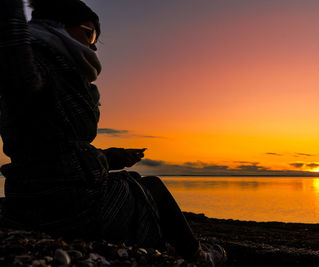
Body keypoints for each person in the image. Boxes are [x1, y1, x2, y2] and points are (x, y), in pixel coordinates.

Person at [0, 0, 226, 265]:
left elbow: (58, 151)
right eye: (90, 32)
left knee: (134, 184)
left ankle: (170, 244)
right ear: (59, 26)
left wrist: (118, 157)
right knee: (151, 188)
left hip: (34, 196)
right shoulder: (33, 66)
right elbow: (15, 56)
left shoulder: (57, 70)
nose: (93, 46)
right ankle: (198, 257)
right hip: (63, 204)